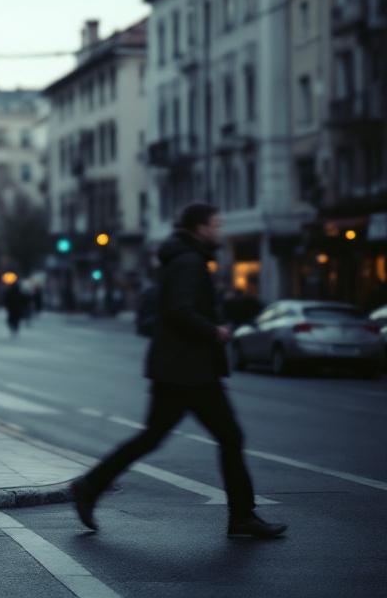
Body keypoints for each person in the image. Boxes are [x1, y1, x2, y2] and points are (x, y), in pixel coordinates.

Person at [70, 203, 286, 540]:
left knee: (152, 437)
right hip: (190, 369)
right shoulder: (189, 262)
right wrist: (214, 331)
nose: (220, 230)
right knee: (229, 437)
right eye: (215, 224)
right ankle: (242, 517)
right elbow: (179, 309)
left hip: (177, 367)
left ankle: (89, 486)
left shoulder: (185, 258)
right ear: (200, 228)